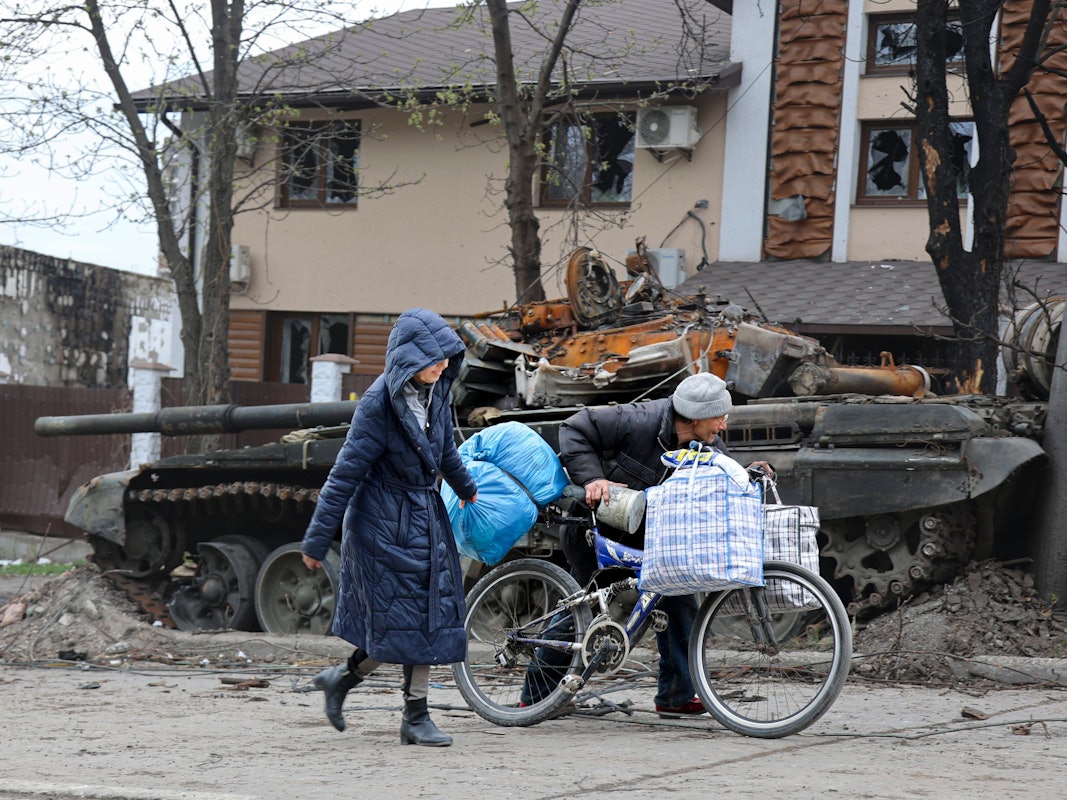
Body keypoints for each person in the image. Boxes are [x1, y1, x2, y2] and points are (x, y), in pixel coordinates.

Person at [300, 308, 477, 747]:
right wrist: (317, 540)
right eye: (433, 358)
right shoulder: (379, 404)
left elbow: (445, 450)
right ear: (410, 358)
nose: (441, 366)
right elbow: (343, 475)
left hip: (423, 514)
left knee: (423, 618)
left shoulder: (435, 392)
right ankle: (414, 717)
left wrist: (466, 487)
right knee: (411, 619)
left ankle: (343, 679)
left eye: (445, 358)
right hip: (382, 523)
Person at [553, 371, 771, 716]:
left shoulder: (708, 443)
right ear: (696, 417)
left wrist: (749, 471)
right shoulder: (638, 420)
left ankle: (675, 696)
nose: (723, 426)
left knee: (681, 603)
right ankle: (535, 695)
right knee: (583, 608)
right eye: (720, 417)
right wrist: (592, 477)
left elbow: (722, 474)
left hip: (657, 539)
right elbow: (575, 428)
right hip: (600, 530)